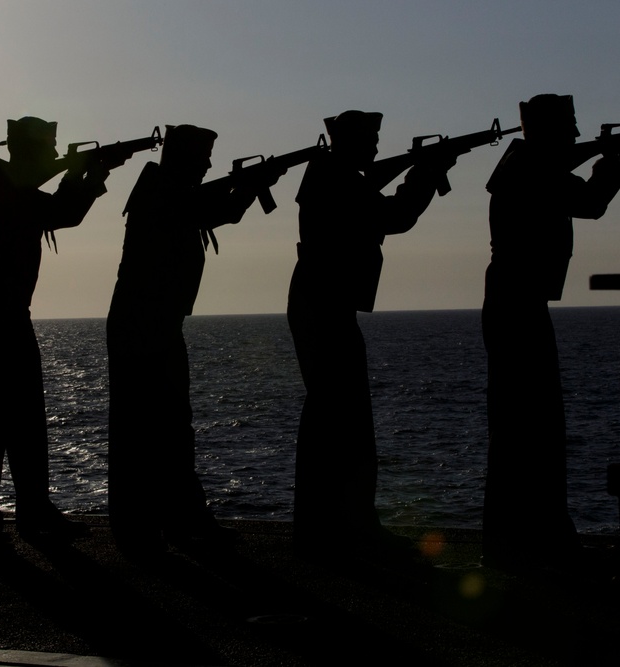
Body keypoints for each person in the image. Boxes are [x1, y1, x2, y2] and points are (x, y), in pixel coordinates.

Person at [286, 110, 454, 561]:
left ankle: (338, 527)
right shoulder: (335, 179)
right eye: (371, 140)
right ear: (351, 142)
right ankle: (339, 531)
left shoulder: (334, 175)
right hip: (325, 303)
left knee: (341, 420)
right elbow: (394, 216)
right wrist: (427, 172)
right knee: (338, 419)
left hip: (324, 301)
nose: (377, 147)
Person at [106, 124, 265, 556]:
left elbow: (211, 210)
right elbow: (221, 212)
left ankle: (175, 521)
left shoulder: (167, 190)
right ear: (183, 158)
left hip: (156, 322)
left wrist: (246, 189)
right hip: (143, 323)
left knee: (169, 427)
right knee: (145, 430)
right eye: (203, 157)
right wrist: (248, 189)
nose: (209, 165)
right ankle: (145, 528)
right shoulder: (163, 192)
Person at [481, 94, 620, 569]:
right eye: (569, 126)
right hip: (517, 302)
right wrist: (612, 165)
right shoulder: (530, 170)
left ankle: (524, 542)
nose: (577, 135)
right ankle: (531, 547)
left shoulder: (526, 165)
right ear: (544, 131)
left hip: (516, 299)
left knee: (526, 425)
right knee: (530, 425)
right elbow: (592, 203)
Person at [0, 116, 109, 546]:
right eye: (49, 147)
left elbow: (60, 211)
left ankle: (21, 511)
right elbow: (60, 211)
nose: (54, 154)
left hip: (3, 312)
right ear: (30, 149)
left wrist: (85, 175)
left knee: (17, 416)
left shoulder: (12, 185)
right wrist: (83, 175)